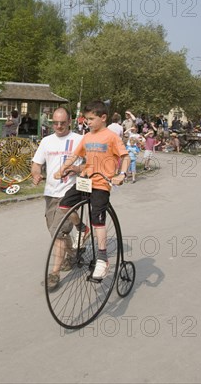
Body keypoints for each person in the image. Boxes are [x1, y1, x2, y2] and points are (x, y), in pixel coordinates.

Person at [54, 100, 129, 283]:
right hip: (85, 181)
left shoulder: (111, 137)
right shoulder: (86, 137)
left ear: (103, 118)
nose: (88, 122)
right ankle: (81, 228)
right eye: (86, 119)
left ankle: (102, 258)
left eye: (91, 119)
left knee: (98, 218)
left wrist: (122, 174)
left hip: (101, 183)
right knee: (64, 204)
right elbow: (75, 156)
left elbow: (125, 157)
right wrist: (63, 168)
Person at [32, 107, 84, 291]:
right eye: (55, 123)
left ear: (70, 121)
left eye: (63, 122)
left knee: (58, 233)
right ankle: (73, 253)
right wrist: (36, 174)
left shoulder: (79, 140)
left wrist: (75, 169)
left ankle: (54, 274)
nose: (59, 126)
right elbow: (36, 163)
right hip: (50, 192)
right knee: (53, 229)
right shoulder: (46, 141)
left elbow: (90, 164)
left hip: (71, 191)